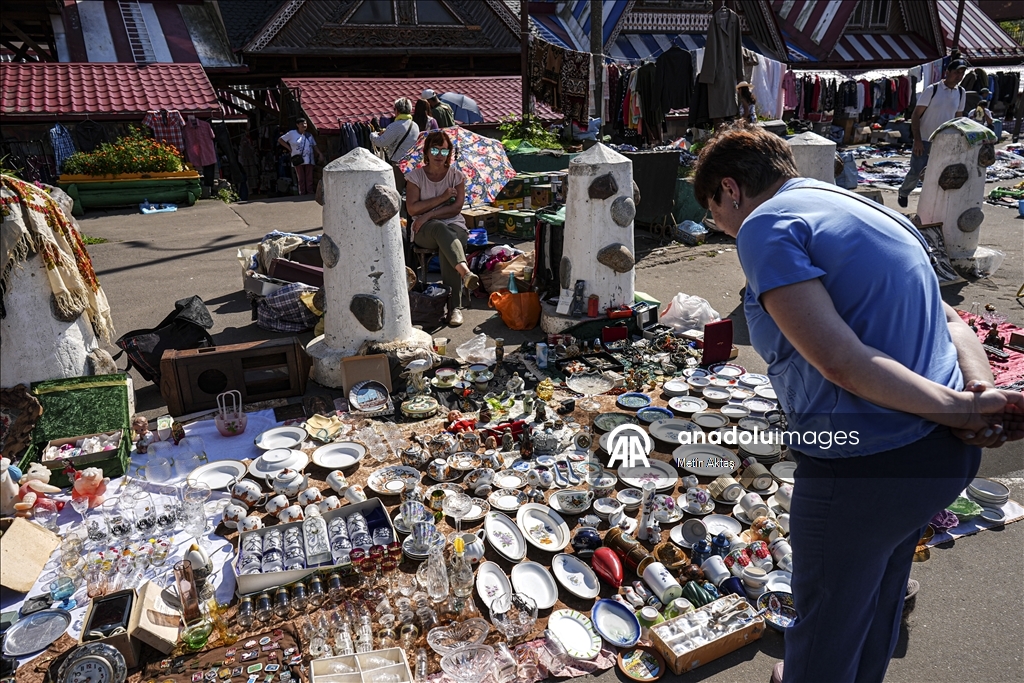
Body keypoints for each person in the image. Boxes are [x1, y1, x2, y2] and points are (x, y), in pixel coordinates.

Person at [691, 126, 1023, 683]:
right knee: (877, 592)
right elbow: (953, 320)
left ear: (731, 189)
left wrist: (967, 411)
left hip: (866, 468)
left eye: (714, 213)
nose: (721, 228)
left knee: (826, 616)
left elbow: (841, 362)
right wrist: (977, 394)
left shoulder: (765, 226)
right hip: (936, 459)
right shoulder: (866, 208)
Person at [404, 130, 479, 328]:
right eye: (435, 149)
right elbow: (412, 208)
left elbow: (456, 208)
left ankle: (453, 308)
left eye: (444, 151)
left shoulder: (456, 176)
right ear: (427, 151)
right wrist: (441, 198)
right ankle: (463, 279)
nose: (439, 155)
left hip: (453, 223)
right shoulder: (415, 177)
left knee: (449, 239)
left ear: (449, 154)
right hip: (424, 230)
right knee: (440, 230)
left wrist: (428, 213)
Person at [897, 59, 968, 207]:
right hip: (924, 138)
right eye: (956, 72)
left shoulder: (961, 93)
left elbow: (958, 118)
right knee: (917, 171)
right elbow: (916, 115)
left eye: (962, 73)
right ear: (947, 73)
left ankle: (932, 202)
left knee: (940, 173)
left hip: (946, 141)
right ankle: (904, 192)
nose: (959, 76)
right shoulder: (932, 90)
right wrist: (916, 139)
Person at [278, 118, 323, 196]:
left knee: (309, 177)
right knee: (301, 178)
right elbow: (280, 140)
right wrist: (289, 148)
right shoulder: (292, 133)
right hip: (297, 159)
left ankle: (309, 193)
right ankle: (302, 193)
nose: (304, 125)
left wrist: (320, 154)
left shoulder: (309, 135)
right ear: (297, 125)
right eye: (302, 124)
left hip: (309, 159)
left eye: (305, 124)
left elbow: (314, 145)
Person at [370, 98, 420, 163]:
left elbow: (380, 142)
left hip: (399, 162)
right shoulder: (415, 125)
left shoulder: (395, 126)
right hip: (412, 161)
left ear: (397, 111)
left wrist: (373, 135)